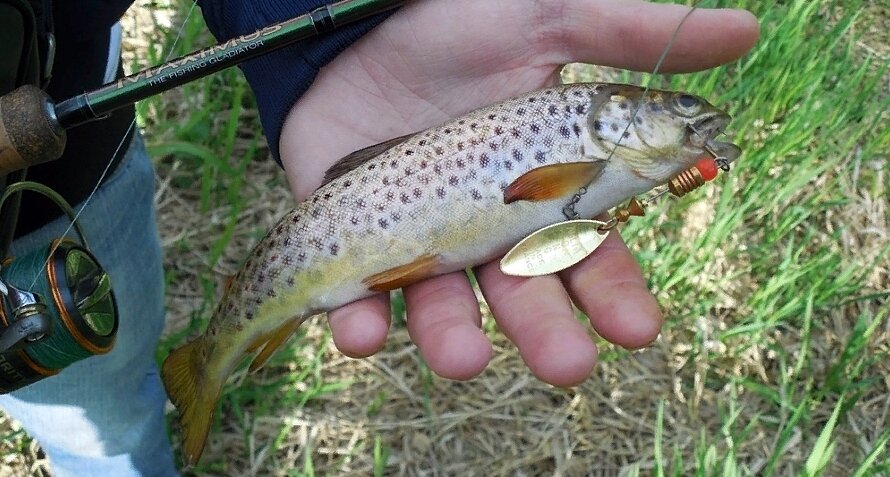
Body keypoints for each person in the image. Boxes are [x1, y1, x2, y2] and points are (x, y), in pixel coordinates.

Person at [0, 0, 759, 474]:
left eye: (681, 113)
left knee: (102, 407)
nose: (693, 123)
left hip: (69, 189)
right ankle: (186, 386)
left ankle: (154, 424)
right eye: (680, 111)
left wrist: (332, 28)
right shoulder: (585, 151)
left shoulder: (596, 146)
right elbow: (542, 191)